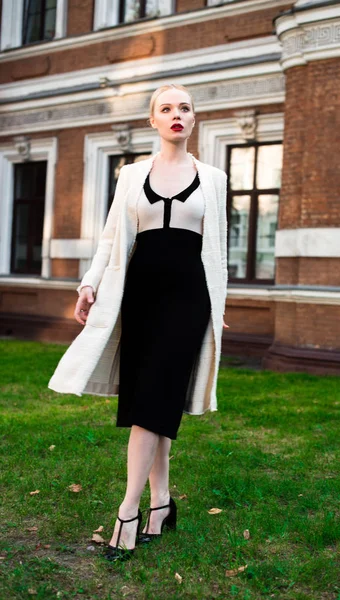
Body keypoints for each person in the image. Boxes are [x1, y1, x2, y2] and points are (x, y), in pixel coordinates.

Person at [48, 83, 229, 561]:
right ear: (153, 121)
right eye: (166, 108)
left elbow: (217, 252)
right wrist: (89, 284)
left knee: (152, 405)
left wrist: (218, 306)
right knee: (153, 403)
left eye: (184, 108)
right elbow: (110, 239)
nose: (176, 115)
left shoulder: (213, 177)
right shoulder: (130, 175)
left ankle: (127, 511)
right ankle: (162, 506)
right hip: (140, 298)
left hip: (189, 299)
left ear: (194, 119)